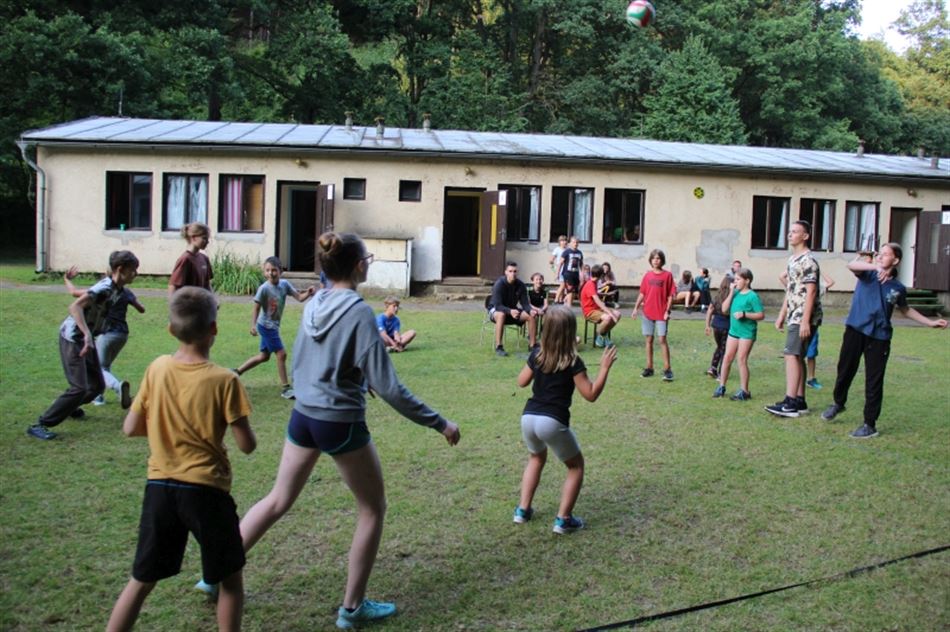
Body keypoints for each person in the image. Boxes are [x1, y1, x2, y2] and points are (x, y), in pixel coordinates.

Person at [199, 232, 460, 629]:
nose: (368, 263)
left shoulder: (315, 303)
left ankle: (215, 573)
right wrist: (440, 422)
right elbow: (391, 388)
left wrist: (355, 377)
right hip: (340, 422)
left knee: (277, 499)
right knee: (373, 508)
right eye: (367, 258)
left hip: (304, 416)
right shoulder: (358, 311)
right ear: (358, 266)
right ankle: (352, 608)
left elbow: (310, 359)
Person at [106, 287, 257, 632]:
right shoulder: (226, 380)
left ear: (171, 330)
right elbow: (247, 445)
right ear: (214, 328)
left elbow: (130, 427)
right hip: (207, 493)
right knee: (230, 582)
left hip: (159, 488)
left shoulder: (157, 368)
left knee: (141, 580)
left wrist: (167, 430)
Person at [821, 244, 947, 438]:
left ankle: (869, 424)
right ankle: (838, 403)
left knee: (874, 380)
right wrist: (875, 266)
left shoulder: (898, 288)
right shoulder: (867, 274)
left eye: (885, 254)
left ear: (895, 260)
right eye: (879, 253)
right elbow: (852, 265)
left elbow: (906, 310)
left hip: (879, 337)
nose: (880, 256)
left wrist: (930, 322)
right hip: (855, 330)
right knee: (845, 370)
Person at [513, 305, 617, 534]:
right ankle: (564, 519)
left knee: (535, 458)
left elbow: (521, 382)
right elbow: (590, 394)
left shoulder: (537, 354)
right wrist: (604, 369)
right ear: (571, 331)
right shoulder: (573, 361)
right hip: (552, 421)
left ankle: (522, 510)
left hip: (528, 417)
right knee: (575, 466)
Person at [27, 251, 140, 441]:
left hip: (86, 338)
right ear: (120, 269)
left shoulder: (117, 290)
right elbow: (75, 307)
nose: (135, 273)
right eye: (133, 270)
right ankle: (40, 424)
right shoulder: (104, 288)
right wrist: (87, 334)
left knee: (97, 386)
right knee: (79, 387)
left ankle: (70, 408)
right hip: (73, 337)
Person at [63, 264, 144, 408]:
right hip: (122, 334)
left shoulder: (101, 291)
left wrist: (66, 279)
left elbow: (74, 293)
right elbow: (141, 309)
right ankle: (99, 396)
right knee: (104, 365)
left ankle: (116, 387)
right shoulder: (126, 292)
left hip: (106, 333)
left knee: (100, 368)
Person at [234, 256, 316, 398]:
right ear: (264, 272)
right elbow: (256, 308)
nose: (271, 273)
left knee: (264, 356)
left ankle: (236, 372)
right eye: (267, 270)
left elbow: (299, 298)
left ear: (280, 271)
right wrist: (252, 325)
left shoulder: (284, 285)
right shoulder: (264, 289)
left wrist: (308, 293)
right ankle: (285, 388)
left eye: (274, 270)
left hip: (273, 326)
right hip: (266, 326)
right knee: (281, 354)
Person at [766, 221, 823, 418]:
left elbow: (811, 291)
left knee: (791, 355)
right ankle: (799, 401)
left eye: (795, 232)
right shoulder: (793, 260)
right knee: (797, 356)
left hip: (803, 316)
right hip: (794, 314)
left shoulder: (808, 261)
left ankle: (790, 403)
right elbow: (791, 290)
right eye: (789, 231)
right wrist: (782, 315)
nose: (790, 235)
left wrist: (805, 321)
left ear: (805, 236)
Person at [712, 268, 764, 401]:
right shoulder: (735, 293)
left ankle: (745, 391)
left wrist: (745, 314)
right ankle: (721, 386)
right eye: (735, 279)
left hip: (746, 333)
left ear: (747, 281)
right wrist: (731, 292)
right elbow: (724, 309)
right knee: (727, 358)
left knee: (741, 360)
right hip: (733, 332)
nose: (735, 282)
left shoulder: (752, 296)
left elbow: (761, 315)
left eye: (738, 279)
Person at [780, 270, 836, 389]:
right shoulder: (795, 285)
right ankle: (798, 385)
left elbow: (831, 282)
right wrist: (796, 267)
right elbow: (781, 277)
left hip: (810, 323)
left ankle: (810, 378)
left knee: (810, 353)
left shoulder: (817, 286)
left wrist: (819, 271)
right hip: (798, 323)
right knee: (796, 355)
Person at [631, 249, 676, 381]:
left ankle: (667, 369)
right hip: (648, 312)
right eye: (653, 258)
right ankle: (649, 368)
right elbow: (642, 293)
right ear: (650, 261)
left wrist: (667, 311)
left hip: (662, 313)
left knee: (662, 340)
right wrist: (635, 308)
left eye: (658, 258)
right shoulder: (647, 276)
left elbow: (670, 295)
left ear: (662, 260)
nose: (656, 261)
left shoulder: (667, 275)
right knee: (649, 340)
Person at [489, 261, 538, 356]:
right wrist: (509, 311)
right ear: (506, 272)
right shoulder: (499, 284)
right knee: (501, 314)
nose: (513, 274)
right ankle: (499, 347)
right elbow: (498, 305)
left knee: (531, 315)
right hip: (496, 311)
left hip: (512, 311)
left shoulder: (521, 285)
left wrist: (530, 310)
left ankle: (532, 345)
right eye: (510, 271)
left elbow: (525, 304)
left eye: (515, 271)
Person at [581, 264, 621, 347]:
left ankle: (602, 335)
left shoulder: (594, 283)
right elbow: (598, 301)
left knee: (617, 314)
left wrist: (606, 294)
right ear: (601, 275)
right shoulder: (590, 284)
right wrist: (610, 313)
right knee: (608, 317)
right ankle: (599, 336)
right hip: (590, 312)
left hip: (597, 309)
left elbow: (595, 294)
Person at [169, 222, 212, 298]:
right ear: (194, 238)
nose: (207, 242)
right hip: (188, 303)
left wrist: (212, 300)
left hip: (201, 302)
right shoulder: (185, 259)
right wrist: (175, 304)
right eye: (204, 238)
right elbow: (174, 286)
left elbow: (207, 285)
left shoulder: (204, 258)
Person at [704, 277, 732, 379]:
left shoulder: (717, 297)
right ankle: (721, 373)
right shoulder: (731, 298)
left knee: (719, 347)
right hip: (727, 326)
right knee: (725, 349)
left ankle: (713, 368)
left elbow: (709, 311)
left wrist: (707, 325)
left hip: (716, 326)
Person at [558, 236, 584, 307]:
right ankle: (569, 306)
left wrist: (582, 274)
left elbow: (581, 264)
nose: (575, 244)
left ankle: (566, 302)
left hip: (576, 274)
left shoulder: (579, 253)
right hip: (567, 273)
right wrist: (558, 273)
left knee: (575, 290)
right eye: (574, 242)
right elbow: (560, 263)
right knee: (570, 290)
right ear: (570, 243)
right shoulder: (566, 252)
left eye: (577, 242)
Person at [550, 235, 568, 303]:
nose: (564, 242)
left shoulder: (567, 250)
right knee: (563, 284)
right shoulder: (557, 249)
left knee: (563, 285)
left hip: (566, 269)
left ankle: (561, 299)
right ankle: (556, 299)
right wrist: (552, 262)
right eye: (562, 241)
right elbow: (552, 259)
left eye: (565, 240)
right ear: (559, 242)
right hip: (560, 269)